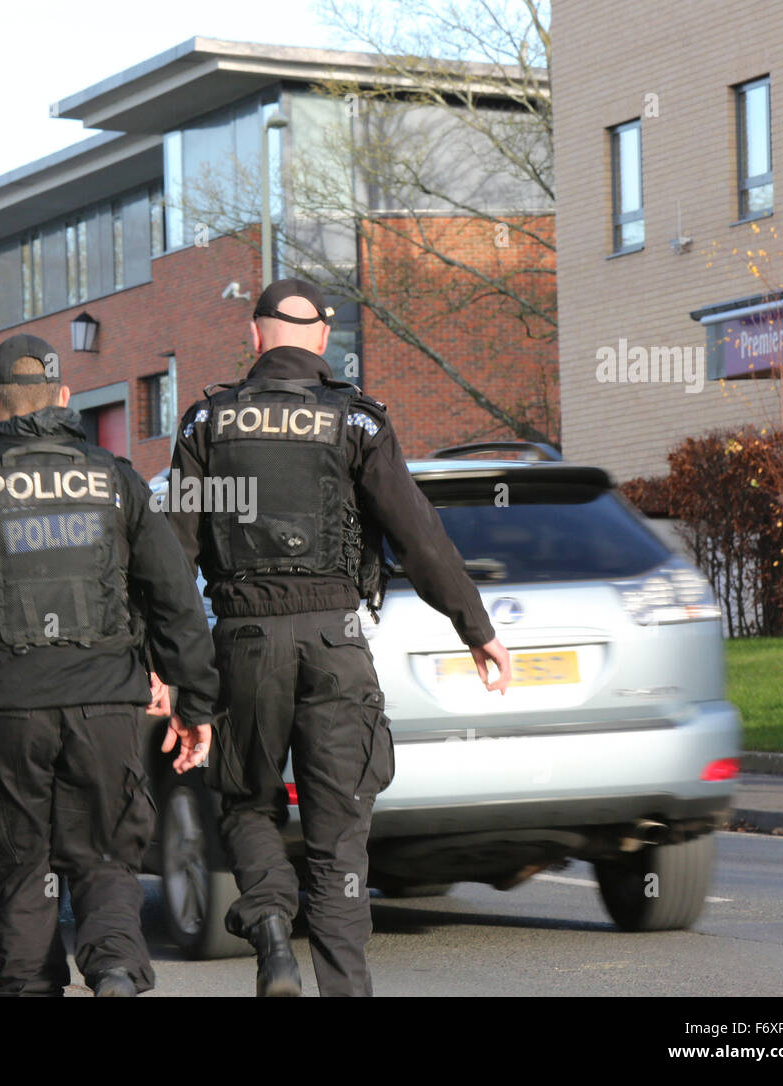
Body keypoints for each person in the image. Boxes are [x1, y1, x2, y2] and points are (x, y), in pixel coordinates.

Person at [166, 278, 512, 997]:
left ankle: (269, 936)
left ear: (254, 334)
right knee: (338, 835)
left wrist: (163, 666)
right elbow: (420, 539)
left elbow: (174, 557)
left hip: (244, 642)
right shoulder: (358, 423)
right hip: (336, 643)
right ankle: (345, 990)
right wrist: (476, 629)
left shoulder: (206, 424)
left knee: (249, 801)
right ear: (324, 338)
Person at [0, 332, 219, 997]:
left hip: (7, 710)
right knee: (104, 858)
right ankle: (117, 971)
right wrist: (195, 703)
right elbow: (175, 595)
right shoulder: (116, 480)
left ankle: (29, 984)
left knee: (19, 867)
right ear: (65, 398)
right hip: (104, 707)